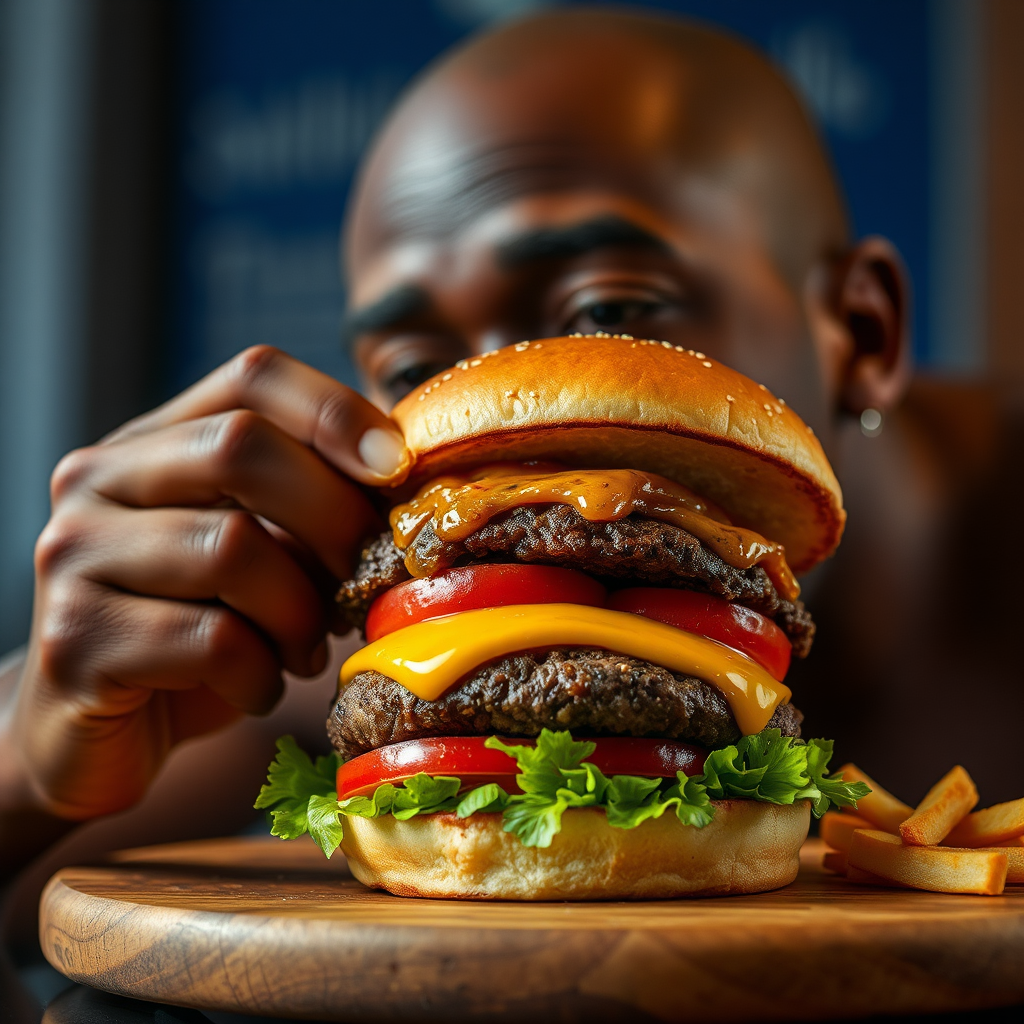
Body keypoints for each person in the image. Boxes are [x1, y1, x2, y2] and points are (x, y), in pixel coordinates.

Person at [0, 9, 1014, 889]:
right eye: (417, 365)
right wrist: (31, 763)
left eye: (608, 309)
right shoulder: (388, 630)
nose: (504, 431)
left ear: (861, 332)